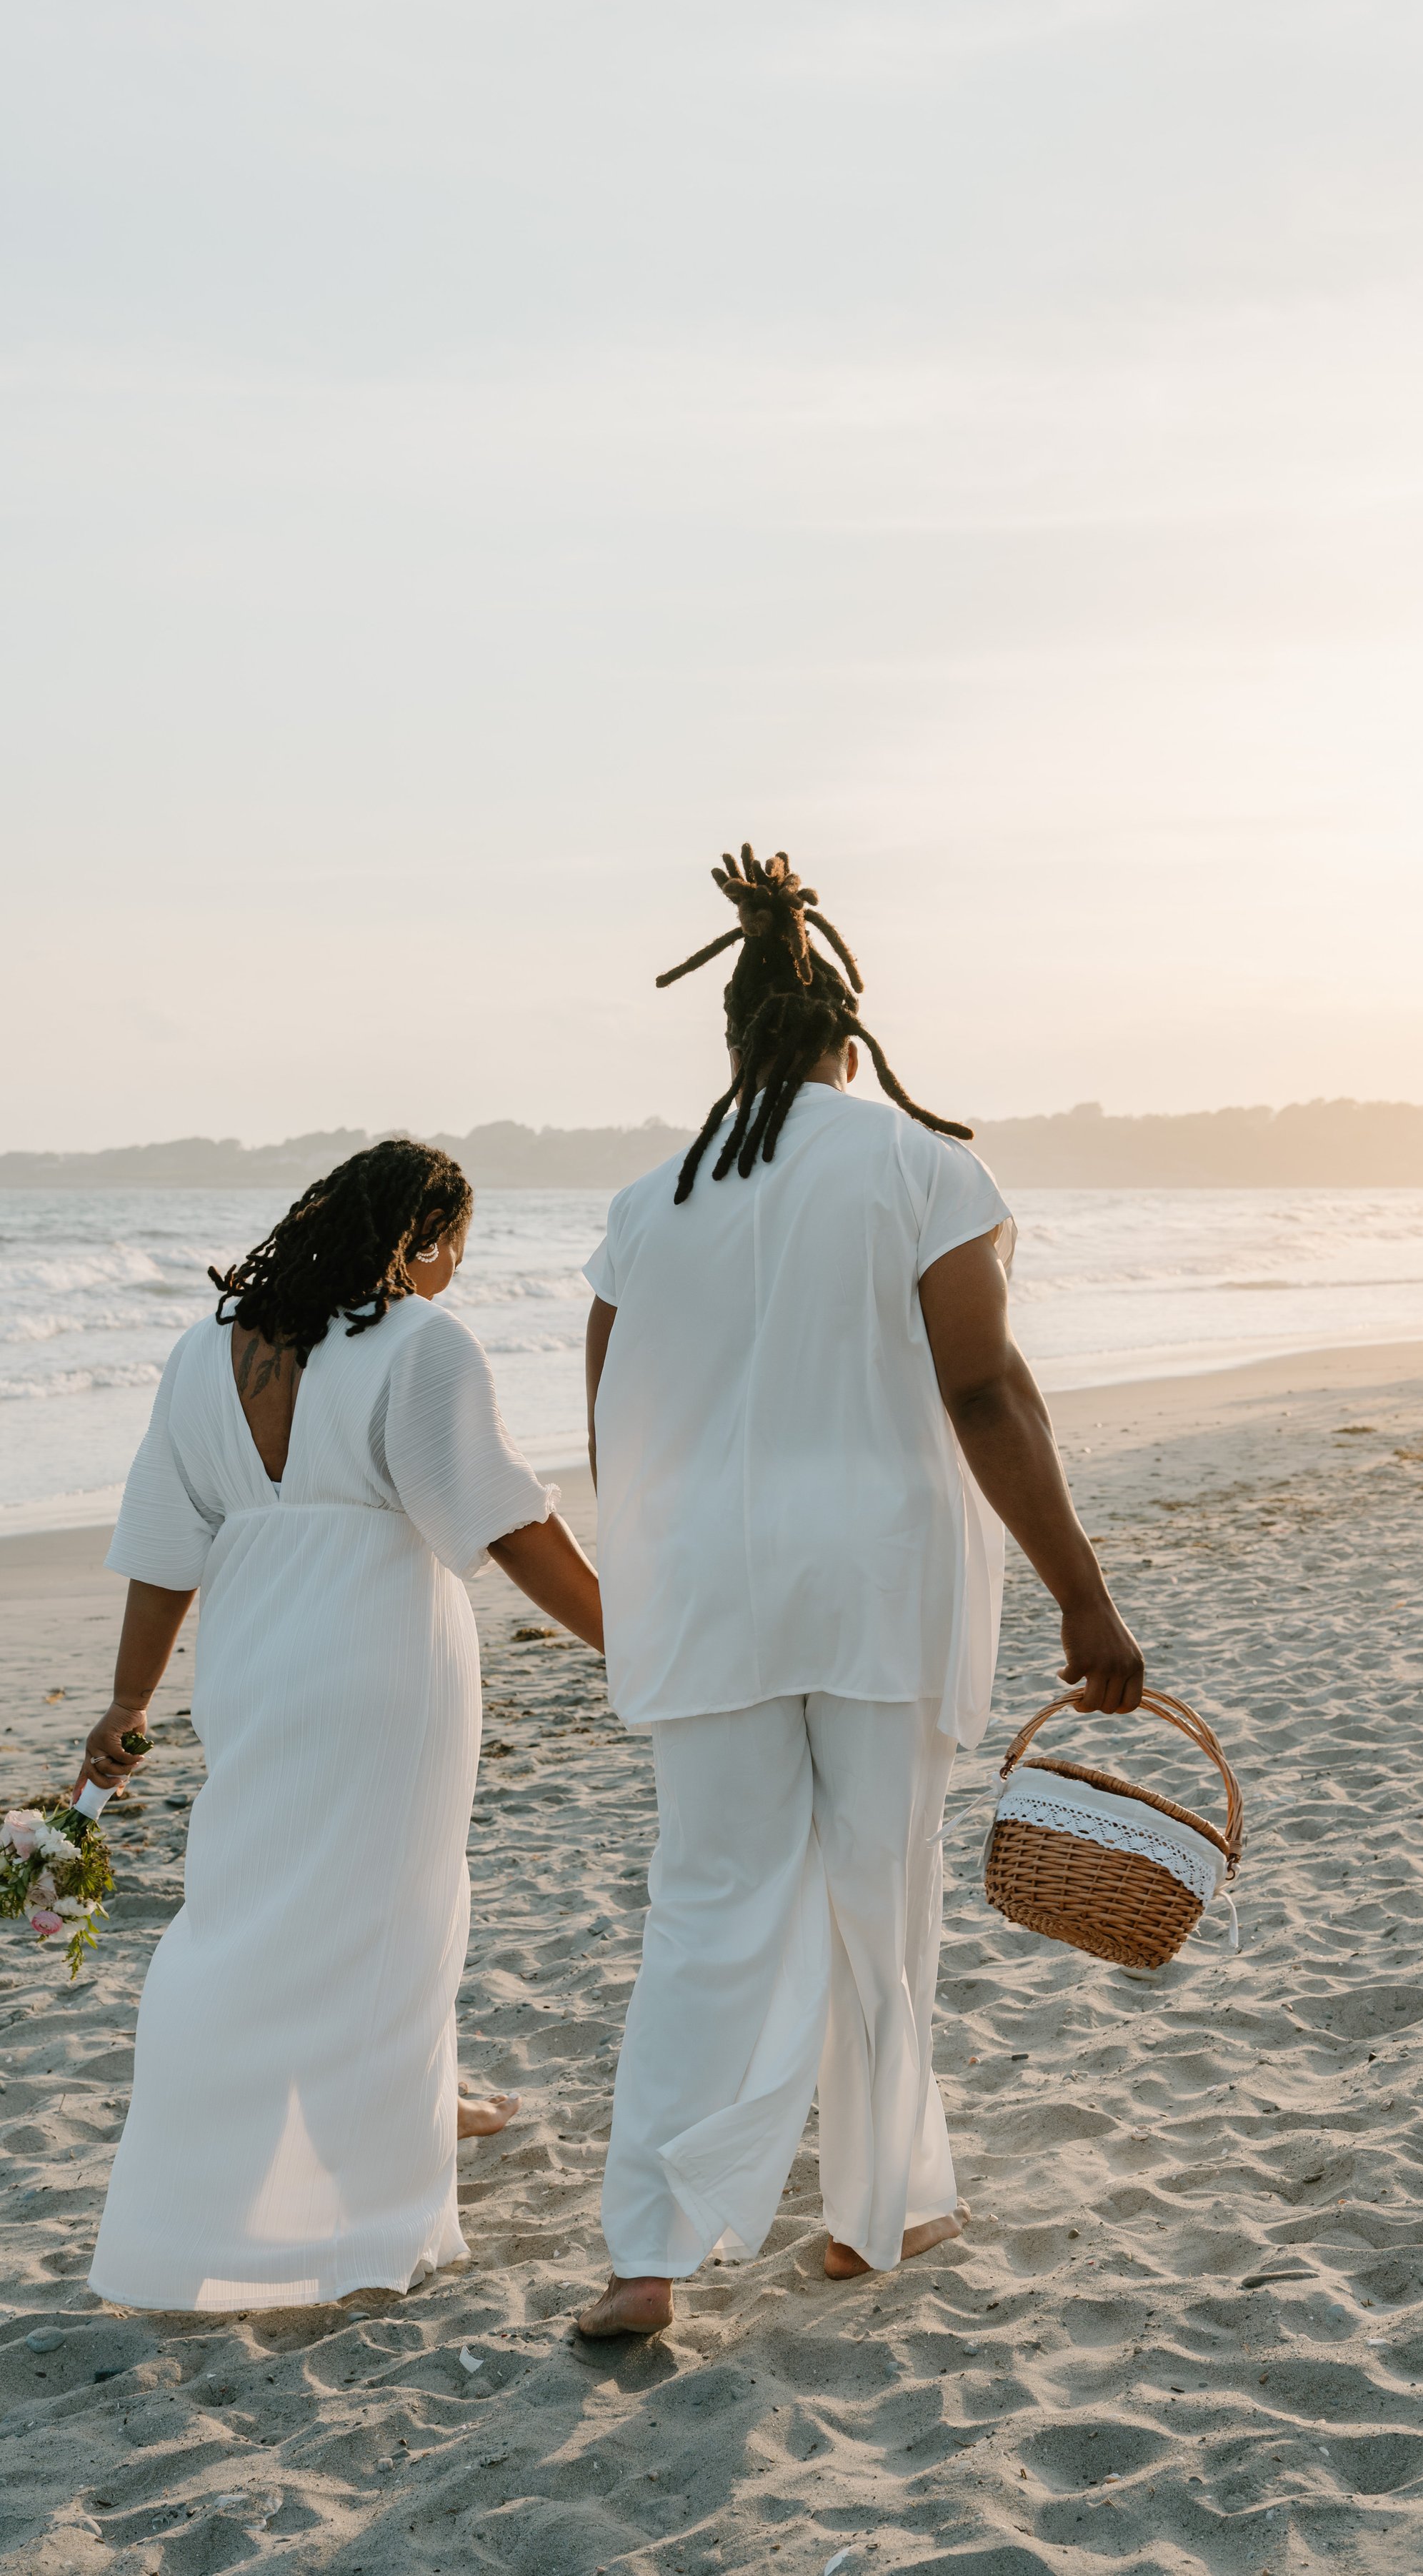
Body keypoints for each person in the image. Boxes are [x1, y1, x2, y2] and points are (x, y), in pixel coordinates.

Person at [574, 847, 1144, 2339]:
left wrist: (650, 1569)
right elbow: (983, 1388)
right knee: (876, 1897)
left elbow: (610, 1409)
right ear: (848, 1042)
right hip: (876, 1577)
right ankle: (871, 2213)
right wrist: (1080, 1597)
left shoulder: (653, 1202)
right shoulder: (918, 1166)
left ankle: (646, 2250)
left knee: (705, 1905)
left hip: (705, 1588)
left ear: (736, 1042)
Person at [76, 1139, 606, 2312]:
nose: (451, 1279)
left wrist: (127, 1699)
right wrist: (632, 1635)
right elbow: (507, 1520)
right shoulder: (417, 1343)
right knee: (393, 1911)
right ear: (417, 1243)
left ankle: (199, 2198)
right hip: (383, 1658)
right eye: (452, 1255)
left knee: (243, 1906)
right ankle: (366, 2216)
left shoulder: (200, 1357)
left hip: (256, 1657)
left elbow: (165, 1546)